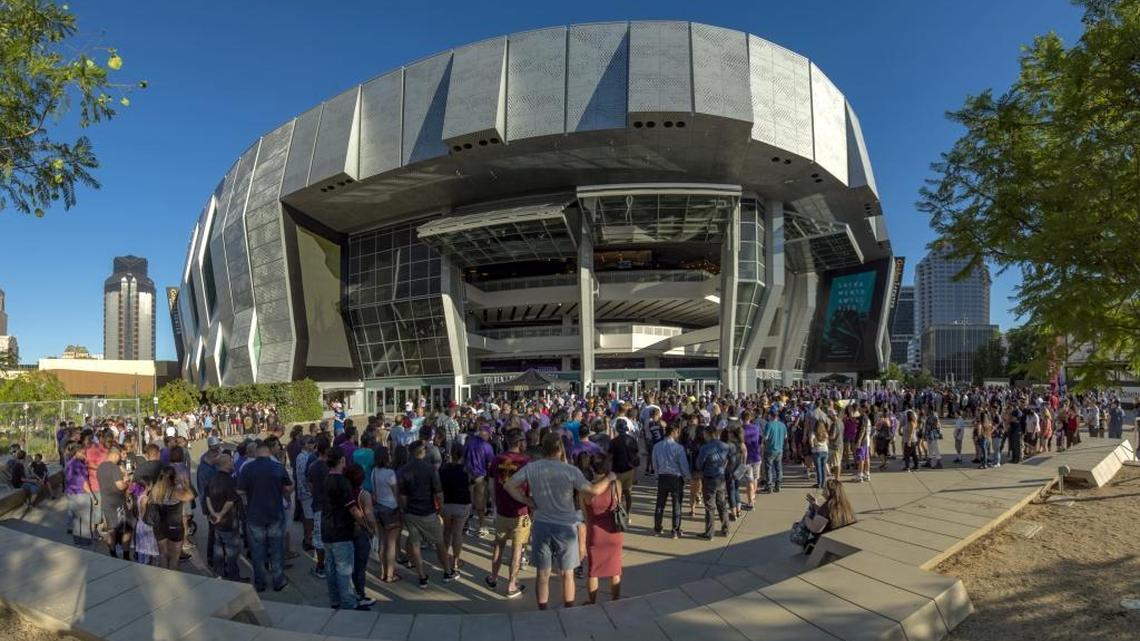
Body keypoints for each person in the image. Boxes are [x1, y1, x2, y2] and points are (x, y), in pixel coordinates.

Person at [504, 433, 616, 610]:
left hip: (542, 524)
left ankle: (543, 610)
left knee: (543, 574)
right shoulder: (570, 470)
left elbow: (508, 485)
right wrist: (609, 478)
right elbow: (592, 491)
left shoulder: (533, 468)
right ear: (560, 449)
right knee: (567, 573)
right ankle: (568, 608)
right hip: (566, 527)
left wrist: (527, 501)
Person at [238, 441, 293, 592]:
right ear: (268, 452)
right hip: (275, 513)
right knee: (276, 549)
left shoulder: (248, 468)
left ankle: (260, 582)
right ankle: (278, 580)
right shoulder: (277, 467)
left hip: (255, 515)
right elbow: (288, 487)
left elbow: (240, 491)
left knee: (257, 550)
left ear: (256, 453)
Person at [397, 440, 451, 589]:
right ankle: (447, 571)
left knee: (415, 544)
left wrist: (405, 508)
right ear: (423, 452)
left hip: (411, 511)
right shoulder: (431, 469)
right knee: (439, 542)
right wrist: (440, 508)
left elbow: (401, 495)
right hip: (428, 511)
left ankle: (422, 576)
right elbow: (438, 492)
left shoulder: (403, 470)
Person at [321, 450, 371, 610]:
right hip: (341, 530)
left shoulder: (326, 479)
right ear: (342, 460)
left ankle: (335, 600)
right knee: (343, 570)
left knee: (331, 568)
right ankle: (349, 602)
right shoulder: (342, 482)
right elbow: (353, 509)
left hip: (327, 529)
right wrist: (365, 524)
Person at [486, 429, 530, 598]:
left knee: (499, 545)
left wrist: (495, 502)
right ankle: (512, 584)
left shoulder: (497, 460)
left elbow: (491, 485)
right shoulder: (525, 461)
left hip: (502, 509)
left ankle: (493, 577)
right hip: (520, 510)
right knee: (517, 549)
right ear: (519, 442)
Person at [579, 453, 623, 604]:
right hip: (613, 531)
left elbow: (585, 515)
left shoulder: (585, 489)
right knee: (615, 570)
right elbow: (617, 502)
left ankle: (592, 601)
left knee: (593, 571)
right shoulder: (616, 484)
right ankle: (615, 599)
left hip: (595, 532)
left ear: (592, 468)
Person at [206, 452, 245, 581]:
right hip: (228, 521)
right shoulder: (229, 480)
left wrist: (213, 514)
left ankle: (219, 573)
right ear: (226, 464)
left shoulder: (212, 478)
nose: (233, 463)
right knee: (232, 550)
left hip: (216, 522)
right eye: (231, 461)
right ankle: (234, 576)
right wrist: (221, 514)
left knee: (218, 548)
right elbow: (230, 500)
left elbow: (207, 497)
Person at [344, 463, 378, 607]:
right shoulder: (363, 494)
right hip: (359, 531)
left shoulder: (344, 491)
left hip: (344, 530)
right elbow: (369, 516)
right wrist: (373, 529)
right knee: (360, 565)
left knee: (347, 564)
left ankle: (348, 590)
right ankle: (360, 593)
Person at [149, 465, 194, 570]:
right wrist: (184, 484)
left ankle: (165, 578)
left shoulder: (155, 490)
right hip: (174, 527)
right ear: (173, 478)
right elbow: (191, 496)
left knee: (163, 555)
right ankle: (173, 579)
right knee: (174, 558)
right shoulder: (176, 492)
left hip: (159, 526)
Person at [651, 423, 690, 538]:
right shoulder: (678, 448)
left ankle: (657, 527)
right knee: (676, 505)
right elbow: (683, 465)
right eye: (677, 432)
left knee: (660, 504)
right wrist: (687, 477)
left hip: (663, 477)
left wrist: (657, 474)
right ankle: (675, 529)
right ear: (673, 433)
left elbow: (654, 462)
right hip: (675, 478)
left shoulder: (657, 446)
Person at [439, 443, 471, 579]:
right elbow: (471, 485)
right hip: (462, 503)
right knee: (457, 534)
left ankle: (445, 560)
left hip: (446, 503)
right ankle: (455, 562)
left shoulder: (443, 469)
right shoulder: (466, 470)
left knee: (447, 532)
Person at [800, 479, 856, 555]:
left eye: (825, 489)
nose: (823, 491)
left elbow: (815, 528)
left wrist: (807, 516)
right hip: (842, 540)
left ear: (830, 492)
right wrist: (814, 505)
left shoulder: (827, 507)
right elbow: (828, 514)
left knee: (805, 542)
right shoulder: (845, 505)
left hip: (827, 543)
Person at [370, 447, 401, 584]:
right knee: (391, 543)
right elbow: (396, 493)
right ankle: (390, 574)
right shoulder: (390, 473)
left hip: (378, 508)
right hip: (391, 508)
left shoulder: (373, 472)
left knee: (382, 542)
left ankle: (383, 571)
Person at [695, 424, 731, 540]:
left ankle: (710, 532)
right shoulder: (725, 446)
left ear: (708, 434)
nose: (703, 436)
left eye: (705, 434)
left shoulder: (705, 448)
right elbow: (730, 459)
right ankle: (725, 529)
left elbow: (699, 464)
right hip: (720, 476)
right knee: (722, 504)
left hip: (709, 477)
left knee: (710, 506)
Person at [96, 447, 131, 558]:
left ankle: (113, 553)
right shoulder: (114, 468)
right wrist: (127, 482)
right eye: (119, 457)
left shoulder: (100, 467)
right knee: (127, 529)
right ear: (115, 455)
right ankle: (126, 554)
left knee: (111, 529)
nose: (119, 459)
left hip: (106, 502)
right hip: (118, 503)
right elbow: (120, 486)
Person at [464, 425, 495, 536]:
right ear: (486, 434)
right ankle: (481, 527)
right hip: (481, 478)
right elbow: (490, 464)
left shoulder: (469, 442)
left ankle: (465, 526)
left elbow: (464, 456)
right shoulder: (487, 446)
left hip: (468, 476)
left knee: (468, 503)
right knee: (481, 505)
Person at [64, 443, 95, 546]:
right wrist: (92, 496)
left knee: (76, 519)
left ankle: (77, 541)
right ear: (76, 452)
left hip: (71, 493)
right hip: (82, 494)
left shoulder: (69, 463)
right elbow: (84, 482)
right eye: (82, 453)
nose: (84, 455)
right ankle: (85, 542)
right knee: (85, 519)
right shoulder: (78, 464)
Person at [609, 420, 639, 517]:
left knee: (617, 494)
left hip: (617, 471)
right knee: (628, 493)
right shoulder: (632, 439)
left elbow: (610, 456)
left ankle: (618, 513)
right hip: (629, 470)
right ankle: (628, 513)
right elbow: (636, 452)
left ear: (617, 429)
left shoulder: (613, 442)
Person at [762, 409, 787, 492]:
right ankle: (778, 484)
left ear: (770, 415)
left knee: (769, 468)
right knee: (778, 467)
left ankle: (769, 485)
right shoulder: (782, 425)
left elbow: (766, 437)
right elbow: (785, 436)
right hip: (780, 449)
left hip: (770, 449)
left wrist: (762, 441)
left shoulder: (769, 424)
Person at [810, 420, 829, 489]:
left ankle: (819, 483)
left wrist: (813, 446)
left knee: (818, 468)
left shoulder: (813, 433)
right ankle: (823, 484)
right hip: (825, 451)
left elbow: (811, 442)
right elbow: (827, 442)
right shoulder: (825, 433)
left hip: (817, 451)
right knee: (823, 468)